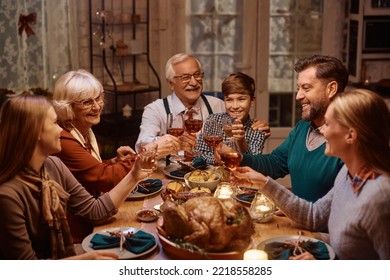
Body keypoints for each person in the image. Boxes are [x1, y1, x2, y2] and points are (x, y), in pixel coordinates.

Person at [231, 89, 390, 260]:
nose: (322, 132)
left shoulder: (378, 196)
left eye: (328, 125)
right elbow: (313, 216)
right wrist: (263, 183)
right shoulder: (348, 175)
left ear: (350, 136)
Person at [0, 95, 150, 259]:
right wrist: (85, 261)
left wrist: (134, 176)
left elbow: (95, 211)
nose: (60, 130)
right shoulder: (8, 196)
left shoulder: (53, 165)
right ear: (34, 132)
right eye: (54, 123)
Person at [238, 55, 349, 202]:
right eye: (298, 88)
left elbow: (347, 206)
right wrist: (240, 158)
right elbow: (276, 162)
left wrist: (296, 209)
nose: (298, 96)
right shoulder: (302, 127)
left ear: (331, 89)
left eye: (306, 88)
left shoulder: (349, 140)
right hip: (298, 220)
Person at [51, 69, 136, 242]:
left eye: (98, 98)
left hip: (91, 220)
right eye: (87, 102)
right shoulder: (63, 138)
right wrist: (147, 154)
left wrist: (114, 161)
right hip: (77, 233)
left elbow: (86, 170)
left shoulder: (83, 130)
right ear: (67, 106)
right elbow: (102, 177)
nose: (97, 106)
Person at [136, 53, 226, 158]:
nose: (193, 82)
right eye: (186, 77)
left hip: (208, 172)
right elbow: (141, 147)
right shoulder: (155, 110)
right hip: (165, 172)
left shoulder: (218, 105)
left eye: (197, 75)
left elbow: (232, 142)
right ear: (171, 83)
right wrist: (174, 142)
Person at [197, 72, 267, 164]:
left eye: (241, 99)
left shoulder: (257, 130)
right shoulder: (212, 120)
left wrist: (241, 142)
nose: (235, 106)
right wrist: (217, 158)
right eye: (229, 100)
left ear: (252, 101)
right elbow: (200, 155)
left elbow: (254, 163)